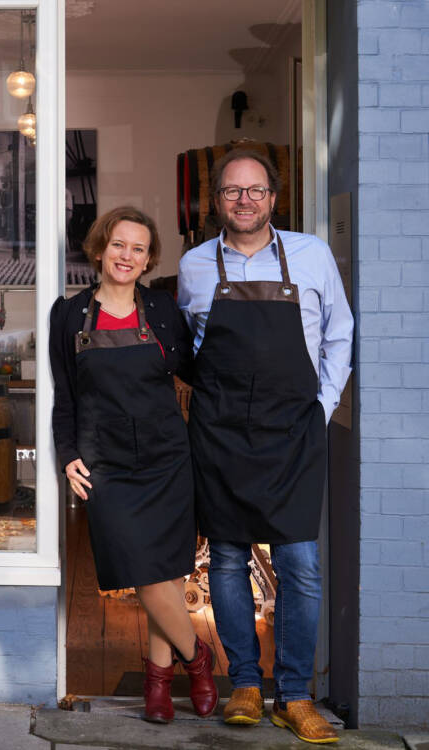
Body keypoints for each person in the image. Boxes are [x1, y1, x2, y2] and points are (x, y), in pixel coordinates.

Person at [178, 149, 353, 744]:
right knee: (227, 559)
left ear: (273, 199)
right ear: (217, 200)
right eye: (232, 191)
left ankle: (296, 694)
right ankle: (247, 685)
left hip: (293, 432)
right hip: (221, 432)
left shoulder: (311, 254)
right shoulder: (195, 265)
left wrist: (323, 406)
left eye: (255, 191)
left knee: (300, 565)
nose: (244, 200)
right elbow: (186, 347)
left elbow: (340, 332)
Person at [50, 206, 218, 724]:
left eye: (138, 249)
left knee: (165, 573)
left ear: (149, 260)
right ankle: (200, 659)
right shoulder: (69, 313)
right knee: (142, 571)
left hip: (168, 458)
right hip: (109, 464)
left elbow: (200, 373)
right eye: (119, 245)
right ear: (100, 249)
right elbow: (65, 396)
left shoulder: (164, 310)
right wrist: (67, 454)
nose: (127, 256)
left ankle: (158, 685)